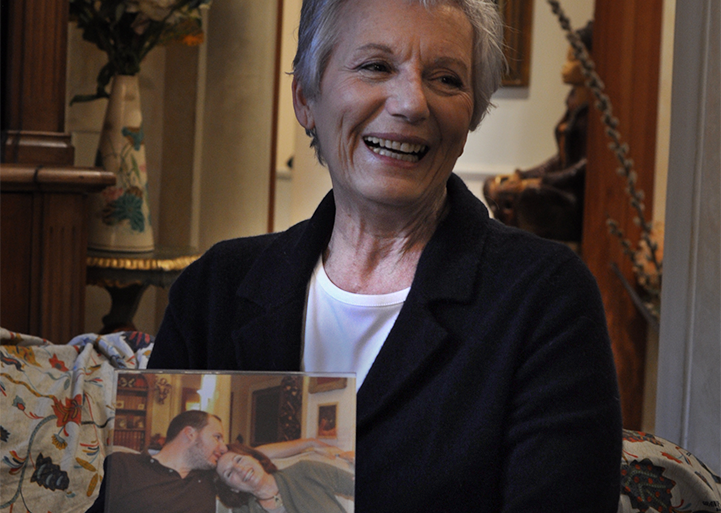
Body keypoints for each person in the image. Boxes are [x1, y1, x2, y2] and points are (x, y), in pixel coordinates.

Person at [148, 1, 622, 511]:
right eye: (375, 66)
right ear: (306, 98)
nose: (412, 103)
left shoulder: (545, 297)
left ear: (471, 115)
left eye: (446, 79)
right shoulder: (216, 286)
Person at [483, 21, 593, 242]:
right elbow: (558, 159)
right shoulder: (573, 102)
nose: (564, 66)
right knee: (492, 186)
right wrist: (523, 175)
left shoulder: (594, 112)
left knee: (528, 196)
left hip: (572, 194)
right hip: (556, 184)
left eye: (572, 59)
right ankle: (505, 242)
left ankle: (524, 246)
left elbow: (584, 166)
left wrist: (541, 182)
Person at [87, 410, 228, 513]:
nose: (223, 448)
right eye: (217, 437)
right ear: (190, 433)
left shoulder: (211, 478)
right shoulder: (122, 465)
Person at [215, 443, 354, 513]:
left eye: (239, 459)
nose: (240, 469)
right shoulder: (244, 511)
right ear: (233, 489)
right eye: (229, 473)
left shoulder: (306, 471)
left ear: (255, 458)